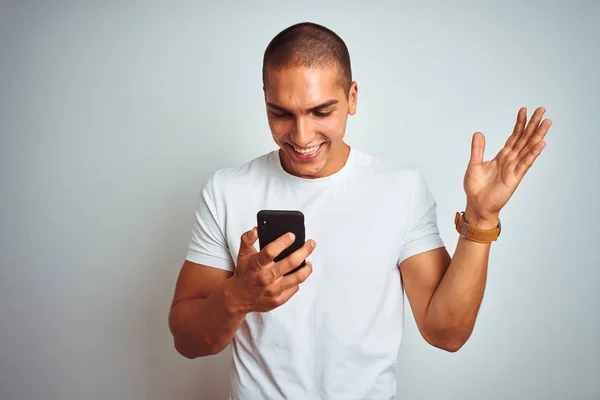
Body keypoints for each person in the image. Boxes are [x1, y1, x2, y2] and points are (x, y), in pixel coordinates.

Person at [168, 22, 551, 399]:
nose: (301, 137)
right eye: (281, 113)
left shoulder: (401, 189)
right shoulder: (227, 190)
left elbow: (445, 334)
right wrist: (238, 297)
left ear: (352, 97)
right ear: (265, 99)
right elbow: (188, 341)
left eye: (321, 112)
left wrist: (481, 219)